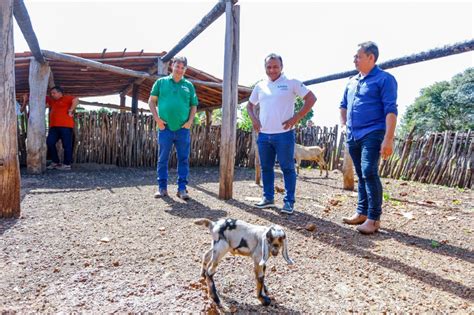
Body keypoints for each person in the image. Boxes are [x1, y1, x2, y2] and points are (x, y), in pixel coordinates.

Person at [340, 41, 398, 234]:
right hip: (353, 134)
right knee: (361, 173)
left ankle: (374, 219)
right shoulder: (351, 81)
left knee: (369, 171)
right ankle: (362, 212)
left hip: (373, 132)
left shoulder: (384, 79)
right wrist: (343, 125)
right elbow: (342, 105)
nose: (354, 59)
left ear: (371, 57)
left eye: (358, 56)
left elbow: (391, 110)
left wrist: (388, 139)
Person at [247, 53, 316, 214]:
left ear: (281, 67)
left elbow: (311, 98)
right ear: (265, 68)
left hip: (284, 135)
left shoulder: (291, 83)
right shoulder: (260, 86)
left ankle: (289, 202)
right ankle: (268, 198)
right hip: (264, 135)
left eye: (275, 66)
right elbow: (250, 106)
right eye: (269, 67)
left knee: (287, 168)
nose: (272, 70)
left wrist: (296, 118)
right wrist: (255, 121)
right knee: (266, 167)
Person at [148, 56, 198, 200]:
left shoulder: (188, 85)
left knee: (183, 159)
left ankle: (182, 189)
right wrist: (157, 119)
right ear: (172, 66)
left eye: (183, 67)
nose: (179, 70)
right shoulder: (161, 82)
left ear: (185, 69)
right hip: (165, 128)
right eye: (177, 66)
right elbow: (151, 101)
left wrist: (190, 121)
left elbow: (194, 105)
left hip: (183, 129)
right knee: (163, 159)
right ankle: (162, 188)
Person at [46, 86, 79, 171]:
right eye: (51, 93)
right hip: (54, 127)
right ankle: (55, 162)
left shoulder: (66, 98)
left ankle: (67, 164)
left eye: (54, 93)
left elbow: (76, 99)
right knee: (50, 142)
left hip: (66, 126)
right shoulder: (52, 101)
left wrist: (71, 110)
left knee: (67, 145)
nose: (52, 94)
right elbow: (42, 98)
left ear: (60, 93)